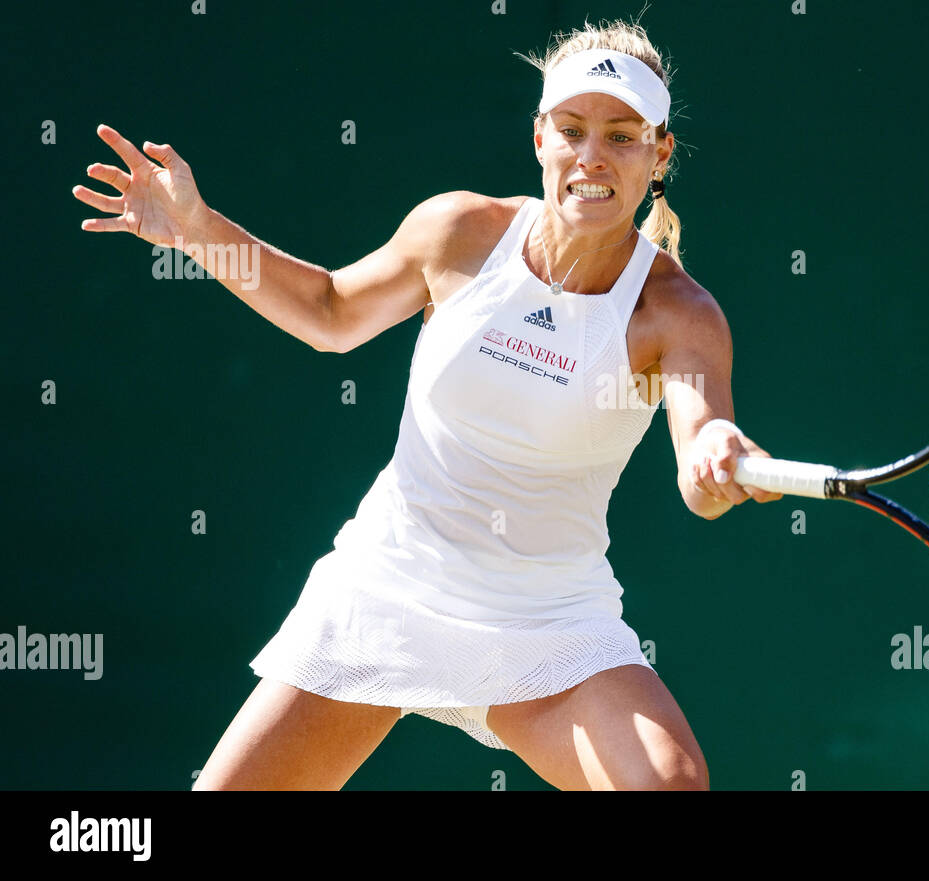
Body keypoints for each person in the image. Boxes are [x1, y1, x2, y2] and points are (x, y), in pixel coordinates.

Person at [73, 18, 782, 791]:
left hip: (547, 623)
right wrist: (200, 230)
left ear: (659, 152)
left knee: (670, 785)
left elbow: (700, 450)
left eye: (621, 135)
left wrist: (721, 456)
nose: (592, 157)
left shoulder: (678, 312)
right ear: (540, 135)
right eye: (572, 130)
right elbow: (330, 311)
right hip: (389, 585)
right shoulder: (458, 233)